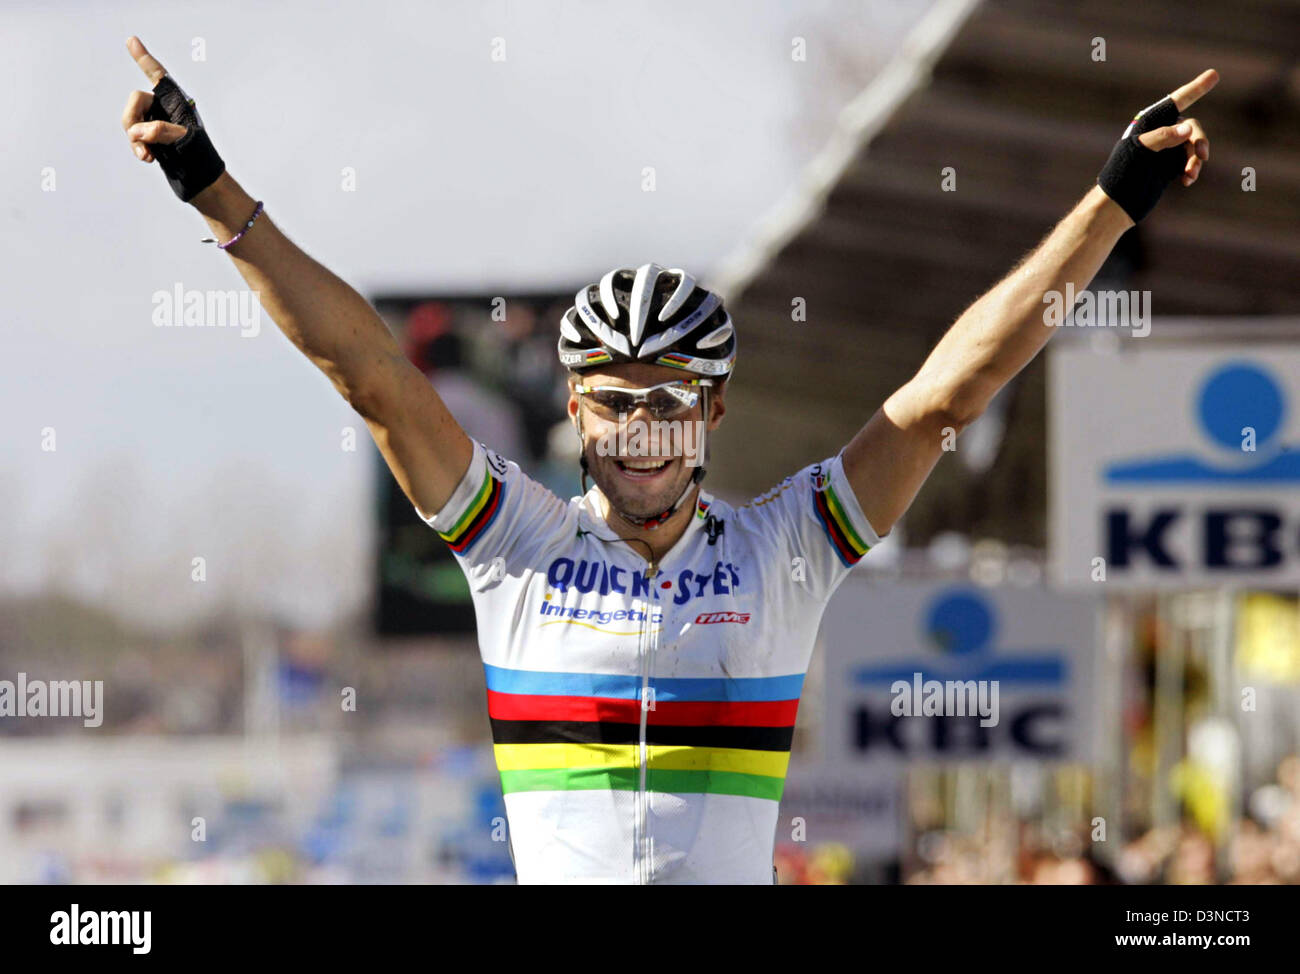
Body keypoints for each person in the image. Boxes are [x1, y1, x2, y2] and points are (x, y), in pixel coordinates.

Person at [121, 36, 1218, 883]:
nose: (639, 426)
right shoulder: (515, 544)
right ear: (571, 408)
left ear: (715, 409)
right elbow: (370, 373)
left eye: (667, 401)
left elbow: (945, 397)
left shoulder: (786, 544)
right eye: (612, 401)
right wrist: (213, 187)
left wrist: (1111, 200)